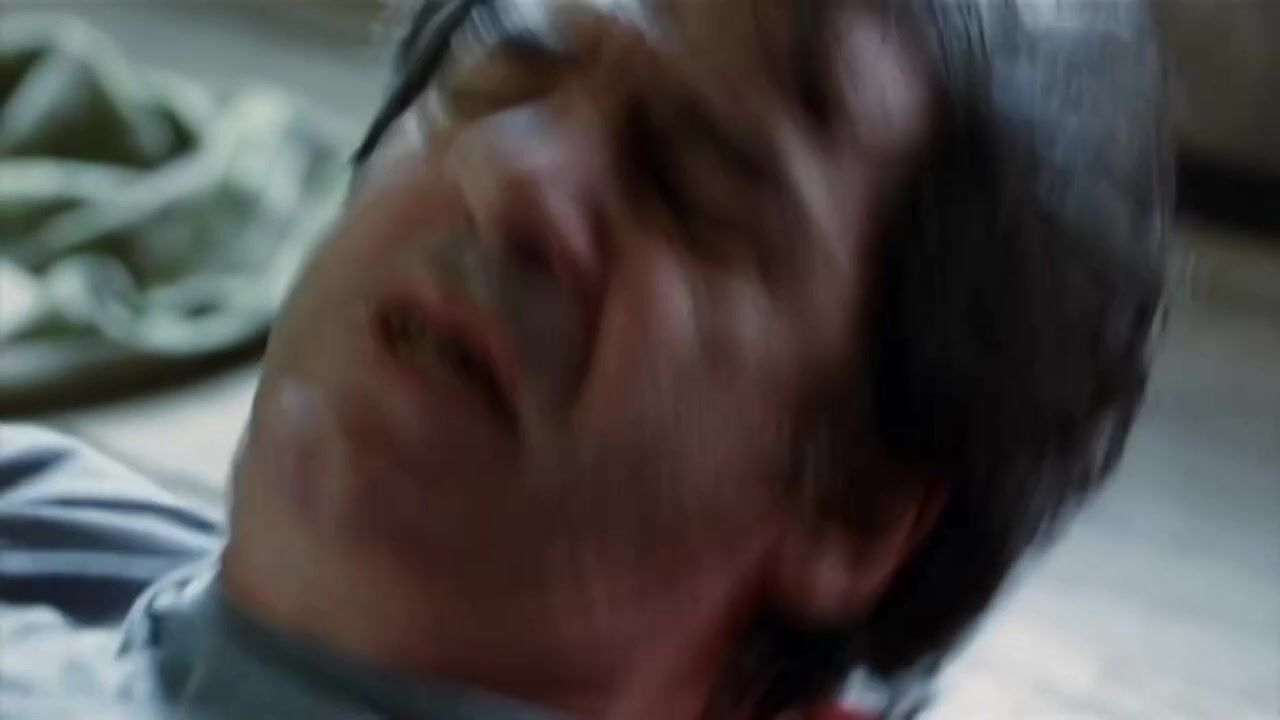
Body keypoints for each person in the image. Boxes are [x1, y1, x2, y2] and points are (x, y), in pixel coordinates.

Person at [0, 0, 1171, 718]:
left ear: (853, 508)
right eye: (500, 76)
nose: (508, 174)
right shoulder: (43, 523)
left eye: (692, 183)